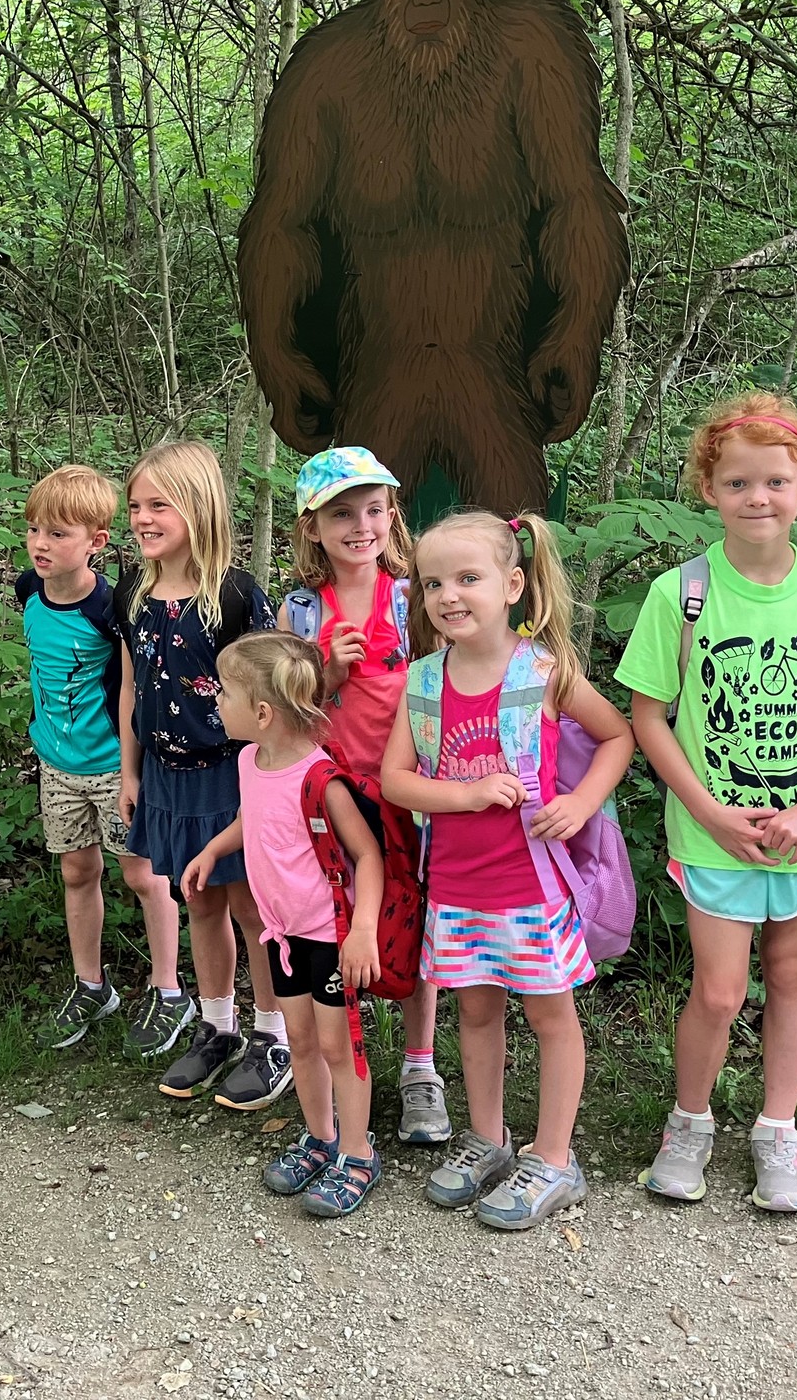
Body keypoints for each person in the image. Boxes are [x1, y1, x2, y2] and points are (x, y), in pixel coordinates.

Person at [616, 392, 797, 1212]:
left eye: (775, 481)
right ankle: (690, 1122)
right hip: (715, 834)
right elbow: (647, 715)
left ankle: (779, 1130)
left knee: (792, 970)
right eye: (738, 483)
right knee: (718, 989)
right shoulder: (683, 594)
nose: (758, 498)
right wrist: (705, 809)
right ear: (709, 489)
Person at [381, 511, 634, 1230]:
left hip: (532, 888)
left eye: (468, 578)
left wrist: (582, 803)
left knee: (551, 1016)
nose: (449, 596)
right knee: (476, 1011)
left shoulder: (545, 672)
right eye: (433, 583)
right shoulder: (422, 681)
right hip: (457, 891)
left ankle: (554, 1157)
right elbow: (395, 778)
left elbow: (617, 736)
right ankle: (487, 1140)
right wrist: (461, 795)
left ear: (513, 584)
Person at [279, 446, 452, 1145]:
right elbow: (283, 715)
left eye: (374, 509)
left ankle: (419, 1068)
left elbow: (448, 685)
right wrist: (324, 673)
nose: (361, 525)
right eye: (342, 512)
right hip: (333, 804)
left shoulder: (415, 598)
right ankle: (344, 1060)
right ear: (311, 527)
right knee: (341, 927)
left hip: (412, 797)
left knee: (419, 929)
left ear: (392, 516)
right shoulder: (297, 611)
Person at [183, 632, 387, 1216]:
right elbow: (254, 817)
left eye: (225, 694)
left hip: (327, 935)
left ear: (264, 712)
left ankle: (357, 1152)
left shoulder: (320, 778)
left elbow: (368, 855)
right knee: (299, 1040)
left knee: (337, 1045)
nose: (216, 702)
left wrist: (363, 930)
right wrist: (211, 851)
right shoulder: (251, 759)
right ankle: (321, 1139)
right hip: (281, 933)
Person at [114, 440, 282, 1106]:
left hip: (230, 776)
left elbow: (270, 703)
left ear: (198, 506)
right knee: (199, 901)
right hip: (165, 774)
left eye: (159, 504)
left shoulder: (235, 597)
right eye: (135, 506)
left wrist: (265, 784)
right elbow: (129, 682)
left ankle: (274, 1036)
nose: (143, 518)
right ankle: (218, 1027)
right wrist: (131, 772)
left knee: (249, 906)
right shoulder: (133, 589)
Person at [19, 465, 194, 1054]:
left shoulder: (112, 606)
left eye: (59, 534)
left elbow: (133, 686)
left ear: (95, 541)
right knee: (76, 871)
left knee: (143, 874)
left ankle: (169, 990)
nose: (42, 544)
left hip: (114, 765)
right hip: (58, 764)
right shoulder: (27, 592)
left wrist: (133, 767)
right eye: (35, 530)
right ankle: (91, 985)